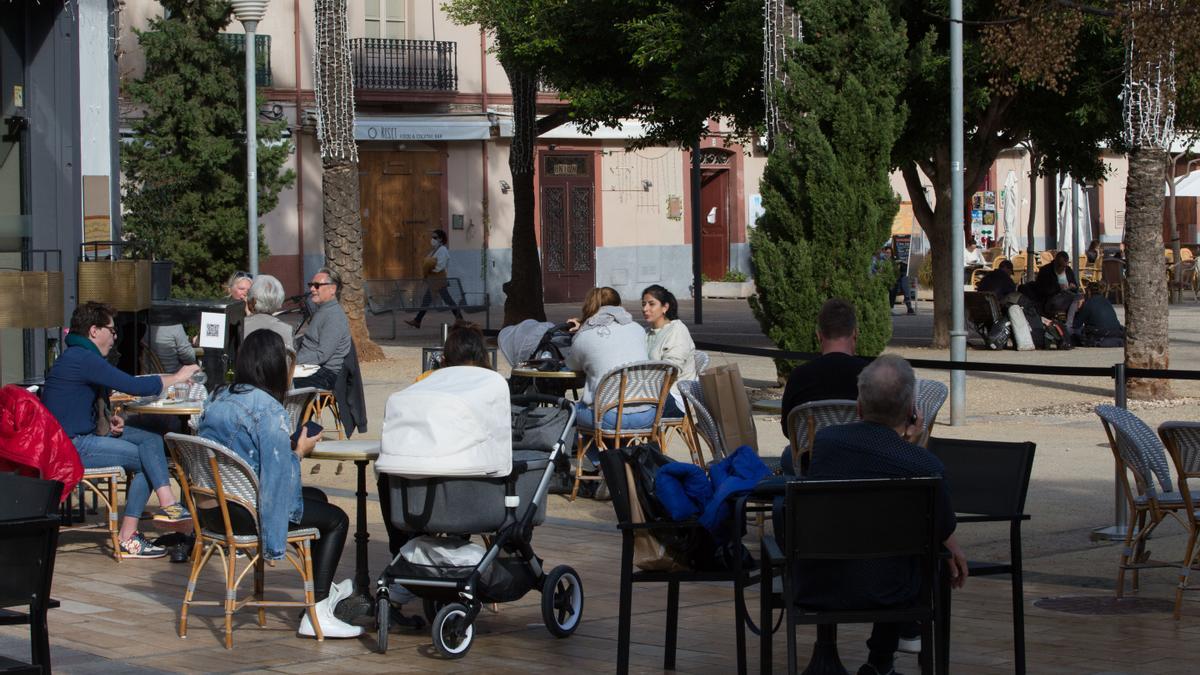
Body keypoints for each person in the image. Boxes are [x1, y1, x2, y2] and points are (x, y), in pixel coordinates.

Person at [800, 355, 967, 675]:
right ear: (911, 412)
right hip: (893, 591)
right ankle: (881, 661)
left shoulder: (826, 443)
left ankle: (880, 663)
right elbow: (944, 525)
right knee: (913, 546)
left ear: (859, 408)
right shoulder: (924, 466)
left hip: (821, 583)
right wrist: (911, 442)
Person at [197, 330, 360, 638]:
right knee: (337, 519)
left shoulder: (217, 396)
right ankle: (318, 611)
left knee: (317, 497)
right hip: (246, 512)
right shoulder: (267, 408)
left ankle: (319, 586)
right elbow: (276, 480)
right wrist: (298, 452)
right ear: (274, 366)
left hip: (214, 508)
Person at [41, 301, 200, 559]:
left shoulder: (77, 356)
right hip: (71, 446)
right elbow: (130, 385)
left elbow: (79, 403)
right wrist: (177, 377)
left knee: (151, 441)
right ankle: (136, 531)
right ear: (94, 331)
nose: (115, 338)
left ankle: (167, 505)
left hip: (82, 436)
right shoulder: (83, 358)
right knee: (147, 460)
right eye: (112, 331)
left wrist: (106, 419)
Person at [779, 299, 868, 474]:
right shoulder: (872, 376)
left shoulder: (799, 376)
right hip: (862, 464)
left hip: (813, 466)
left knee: (788, 456)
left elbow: (789, 431)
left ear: (819, 335)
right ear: (855, 333)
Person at [564, 287, 653, 434]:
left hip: (608, 416)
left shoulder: (585, 336)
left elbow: (572, 365)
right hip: (646, 415)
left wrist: (581, 330)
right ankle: (617, 455)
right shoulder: (638, 329)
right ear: (619, 306)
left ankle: (597, 456)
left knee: (568, 411)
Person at [641, 285, 695, 418]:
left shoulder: (677, 330)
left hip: (676, 396)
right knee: (612, 407)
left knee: (625, 412)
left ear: (665, 307)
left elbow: (673, 368)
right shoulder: (647, 333)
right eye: (643, 304)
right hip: (651, 392)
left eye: (651, 304)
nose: (645, 309)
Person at [293, 267, 351, 390]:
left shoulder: (334, 316)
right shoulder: (323, 310)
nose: (312, 289)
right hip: (310, 369)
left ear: (332, 289)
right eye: (311, 285)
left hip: (324, 374)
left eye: (317, 285)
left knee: (273, 386)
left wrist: (292, 361)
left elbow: (322, 355)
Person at [405, 229, 463, 329]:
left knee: (442, 300)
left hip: (438, 279)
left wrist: (429, 270)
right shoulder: (434, 251)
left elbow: (439, 265)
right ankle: (418, 320)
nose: (433, 239)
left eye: (435, 237)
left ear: (440, 239)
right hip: (434, 280)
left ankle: (418, 320)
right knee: (436, 300)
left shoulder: (443, 250)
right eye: (432, 237)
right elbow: (427, 262)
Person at [243, 274, 295, 356]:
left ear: (252, 300)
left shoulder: (241, 327)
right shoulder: (286, 329)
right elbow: (288, 364)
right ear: (279, 301)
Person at [1032, 250, 1080, 324]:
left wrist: (1073, 287)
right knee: (1076, 301)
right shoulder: (1046, 271)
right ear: (1055, 261)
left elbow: (1076, 287)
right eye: (1059, 265)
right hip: (1051, 299)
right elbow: (1040, 290)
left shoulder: (1068, 270)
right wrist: (1058, 288)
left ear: (1066, 263)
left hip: (1067, 296)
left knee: (1080, 299)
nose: (1061, 268)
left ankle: (1073, 322)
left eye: (1063, 266)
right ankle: (1070, 324)